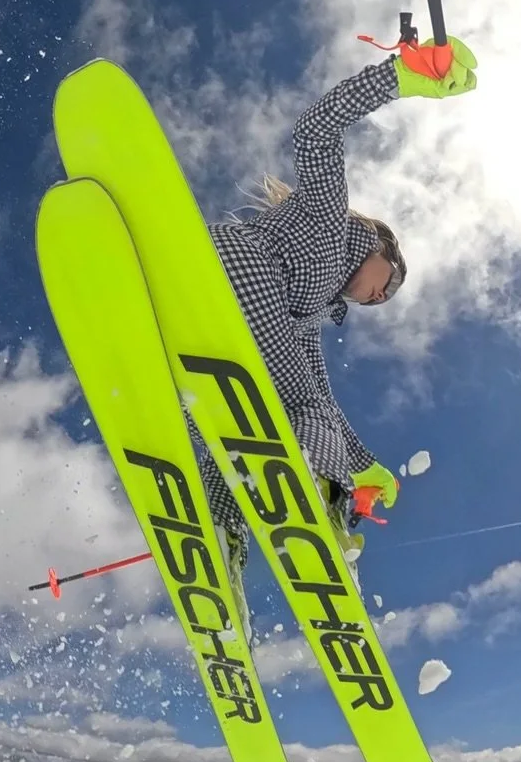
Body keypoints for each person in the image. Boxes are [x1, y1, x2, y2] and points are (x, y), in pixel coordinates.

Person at [200, 33, 477, 620]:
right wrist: (401, 77)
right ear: (381, 243)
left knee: (282, 417)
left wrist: (362, 461)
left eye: (383, 301)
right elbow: (316, 129)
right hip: (231, 270)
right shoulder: (330, 217)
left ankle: (225, 533)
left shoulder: (311, 315)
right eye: (389, 282)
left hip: (241, 345)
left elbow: (318, 393)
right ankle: (320, 488)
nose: (380, 297)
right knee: (297, 399)